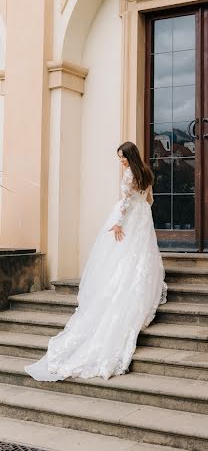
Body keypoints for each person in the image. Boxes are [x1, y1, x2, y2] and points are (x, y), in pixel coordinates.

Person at [24, 141, 167, 381]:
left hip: (131, 219)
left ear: (129, 156)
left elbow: (123, 203)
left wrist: (119, 223)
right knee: (139, 258)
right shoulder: (146, 172)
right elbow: (150, 200)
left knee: (123, 257)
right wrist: (141, 213)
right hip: (143, 218)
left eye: (122, 157)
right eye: (119, 158)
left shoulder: (131, 173)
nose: (121, 161)